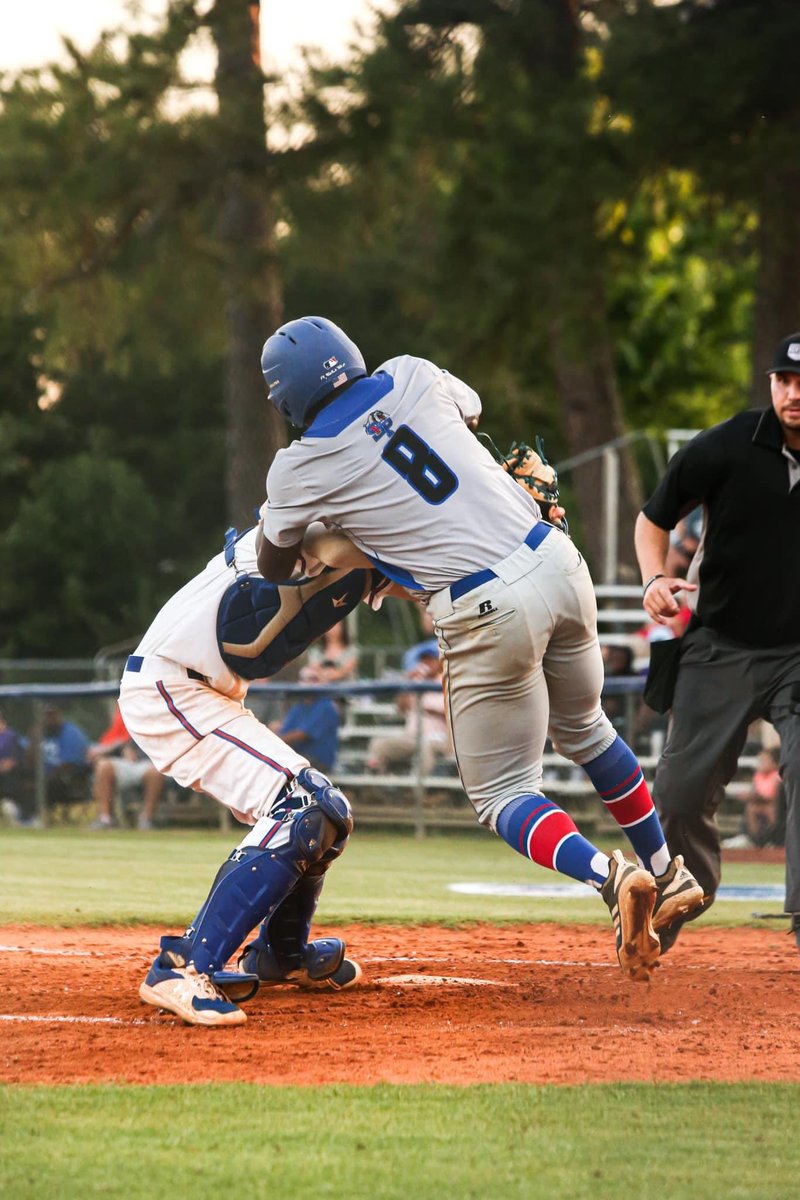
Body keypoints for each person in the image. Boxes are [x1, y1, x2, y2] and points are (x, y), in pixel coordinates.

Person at [256, 315, 703, 981]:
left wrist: (337, 522)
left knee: (501, 794)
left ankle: (612, 877)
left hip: (482, 601)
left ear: (286, 397)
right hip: (552, 554)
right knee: (586, 728)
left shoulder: (298, 464)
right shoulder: (410, 370)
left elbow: (272, 561)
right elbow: (468, 416)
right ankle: (669, 872)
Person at [119, 525, 388, 1026]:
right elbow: (336, 545)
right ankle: (181, 968)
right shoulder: (302, 510)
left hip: (209, 692)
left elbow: (412, 573)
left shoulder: (361, 522)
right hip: (170, 686)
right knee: (305, 808)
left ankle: (279, 955)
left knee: (332, 815)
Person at [635, 330, 800, 953]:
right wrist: (654, 577)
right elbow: (654, 518)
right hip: (720, 643)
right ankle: (681, 899)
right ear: (771, 385)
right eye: (785, 380)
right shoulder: (730, 444)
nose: (794, 394)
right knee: (676, 796)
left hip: (798, 652)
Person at [366, 647, 452, 776]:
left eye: (430, 661)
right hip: (411, 737)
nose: (426, 664)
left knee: (425, 748)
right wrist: (407, 683)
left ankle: (419, 792)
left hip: (437, 738)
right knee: (378, 744)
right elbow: (401, 708)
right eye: (423, 661)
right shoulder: (415, 682)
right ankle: (376, 788)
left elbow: (451, 714)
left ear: (438, 663)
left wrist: (428, 708)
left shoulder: (446, 682)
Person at [87, 704, 165, 831]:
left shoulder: (160, 714)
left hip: (148, 763)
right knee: (103, 766)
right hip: (125, 763)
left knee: (155, 772)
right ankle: (105, 819)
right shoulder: (128, 711)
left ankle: (146, 819)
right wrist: (124, 748)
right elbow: (120, 744)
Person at [273, 664, 341, 773]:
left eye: (314, 679)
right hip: (298, 757)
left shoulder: (326, 705)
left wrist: (273, 742)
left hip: (317, 761)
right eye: (304, 679)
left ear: (322, 682)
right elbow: (283, 729)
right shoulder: (300, 705)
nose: (308, 683)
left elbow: (302, 734)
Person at [722, 748, 785, 851]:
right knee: (751, 808)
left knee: (771, 809)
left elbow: (773, 797)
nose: (761, 764)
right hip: (760, 804)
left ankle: (774, 840)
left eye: (765, 761)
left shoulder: (776, 776)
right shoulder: (758, 776)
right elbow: (756, 793)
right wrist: (751, 796)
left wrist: (753, 797)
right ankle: (755, 840)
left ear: (774, 763)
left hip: (775, 806)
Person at [41, 705, 92, 812]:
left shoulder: (71, 733)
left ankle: (41, 815)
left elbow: (70, 764)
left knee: (49, 782)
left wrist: (47, 774)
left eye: (52, 715)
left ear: (59, 715)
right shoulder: (40, 733)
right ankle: (25, 817)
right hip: (43, 777)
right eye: (47, 715)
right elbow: (29, 760)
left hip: (67, 781)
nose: (49, 719)